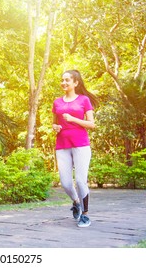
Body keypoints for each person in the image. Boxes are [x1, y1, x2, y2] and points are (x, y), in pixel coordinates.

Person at [52, 70, 98, 228]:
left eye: (67, 80)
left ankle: (85, 215)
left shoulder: (84, 100)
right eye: (62, 80)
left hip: (81, 144)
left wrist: (72, 119)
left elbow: (91, 124)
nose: (64, 83)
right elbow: (54, 122)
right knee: (65, 183)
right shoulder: (57, 102)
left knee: (80, 180)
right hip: (62, 144)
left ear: (76, 83)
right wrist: (55, 127)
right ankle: (76, 202)